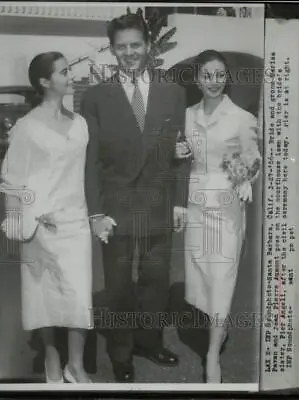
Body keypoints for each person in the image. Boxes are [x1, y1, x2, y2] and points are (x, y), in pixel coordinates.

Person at [81, 13, 191, 382]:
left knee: (156, 282)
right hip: (116, 209)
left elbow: (181, 152)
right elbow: (90, 160)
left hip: (159, 205)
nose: (129, 53)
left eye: (136, 45)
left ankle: (149, 340)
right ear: (112, 50)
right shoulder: (96, 97)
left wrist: (179, 202)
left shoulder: (173, 92)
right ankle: (121, 353)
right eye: (121, 47)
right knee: (118, 287)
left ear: (148, 45)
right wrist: (95, 212)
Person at [0, 52, 93, 384]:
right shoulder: (26, 128)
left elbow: (86, 174)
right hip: (41, 227)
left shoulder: (79, 123)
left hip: (76, 224)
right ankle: (53, 360)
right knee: (44, 297)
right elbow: (11, 181)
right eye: (65, 71)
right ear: (44, 81)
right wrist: (20, 227)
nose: (72, 75)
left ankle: (76, 366)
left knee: (79, 296)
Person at [175, 50, 261, 383]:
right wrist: (177, 152)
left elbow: (252, 158)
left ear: (227, 78)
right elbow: (179, 158)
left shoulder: (241, 118)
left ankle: (212, 355)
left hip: (226, 208)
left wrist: (243, 178)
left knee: (223, 277)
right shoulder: (185, 116)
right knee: (202, 275)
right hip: (196, 206)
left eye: (220, 75)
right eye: (207, 75)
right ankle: (217, 330)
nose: (214, 82)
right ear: (197, 79)